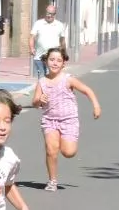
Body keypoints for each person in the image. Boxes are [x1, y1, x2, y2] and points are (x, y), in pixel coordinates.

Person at [31, 46, 101, 191]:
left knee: (69, 152)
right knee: (51, 150)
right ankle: (52, 181)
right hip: (49, 120)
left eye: (58, 60)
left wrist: (96, 105)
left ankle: (64, 143)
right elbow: (35, 103)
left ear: (63, 64)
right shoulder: (42, 82)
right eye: (52, 60)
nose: (55, 63)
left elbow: (87, 90)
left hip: (69, 120)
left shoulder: (68, 80)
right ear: (46, 61)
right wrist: (39, 100)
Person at [29, 4, 66, 79]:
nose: (49, 15)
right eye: (48, 13)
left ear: (54, 14)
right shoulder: (38, 23)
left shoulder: (60, 25)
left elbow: (62, 41)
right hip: (39, 56)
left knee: (51, 76)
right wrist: (31, 48)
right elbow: (32, 37)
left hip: (53, 57)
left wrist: (64, 54)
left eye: (52, 14)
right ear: (45, 13)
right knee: (42, 76)